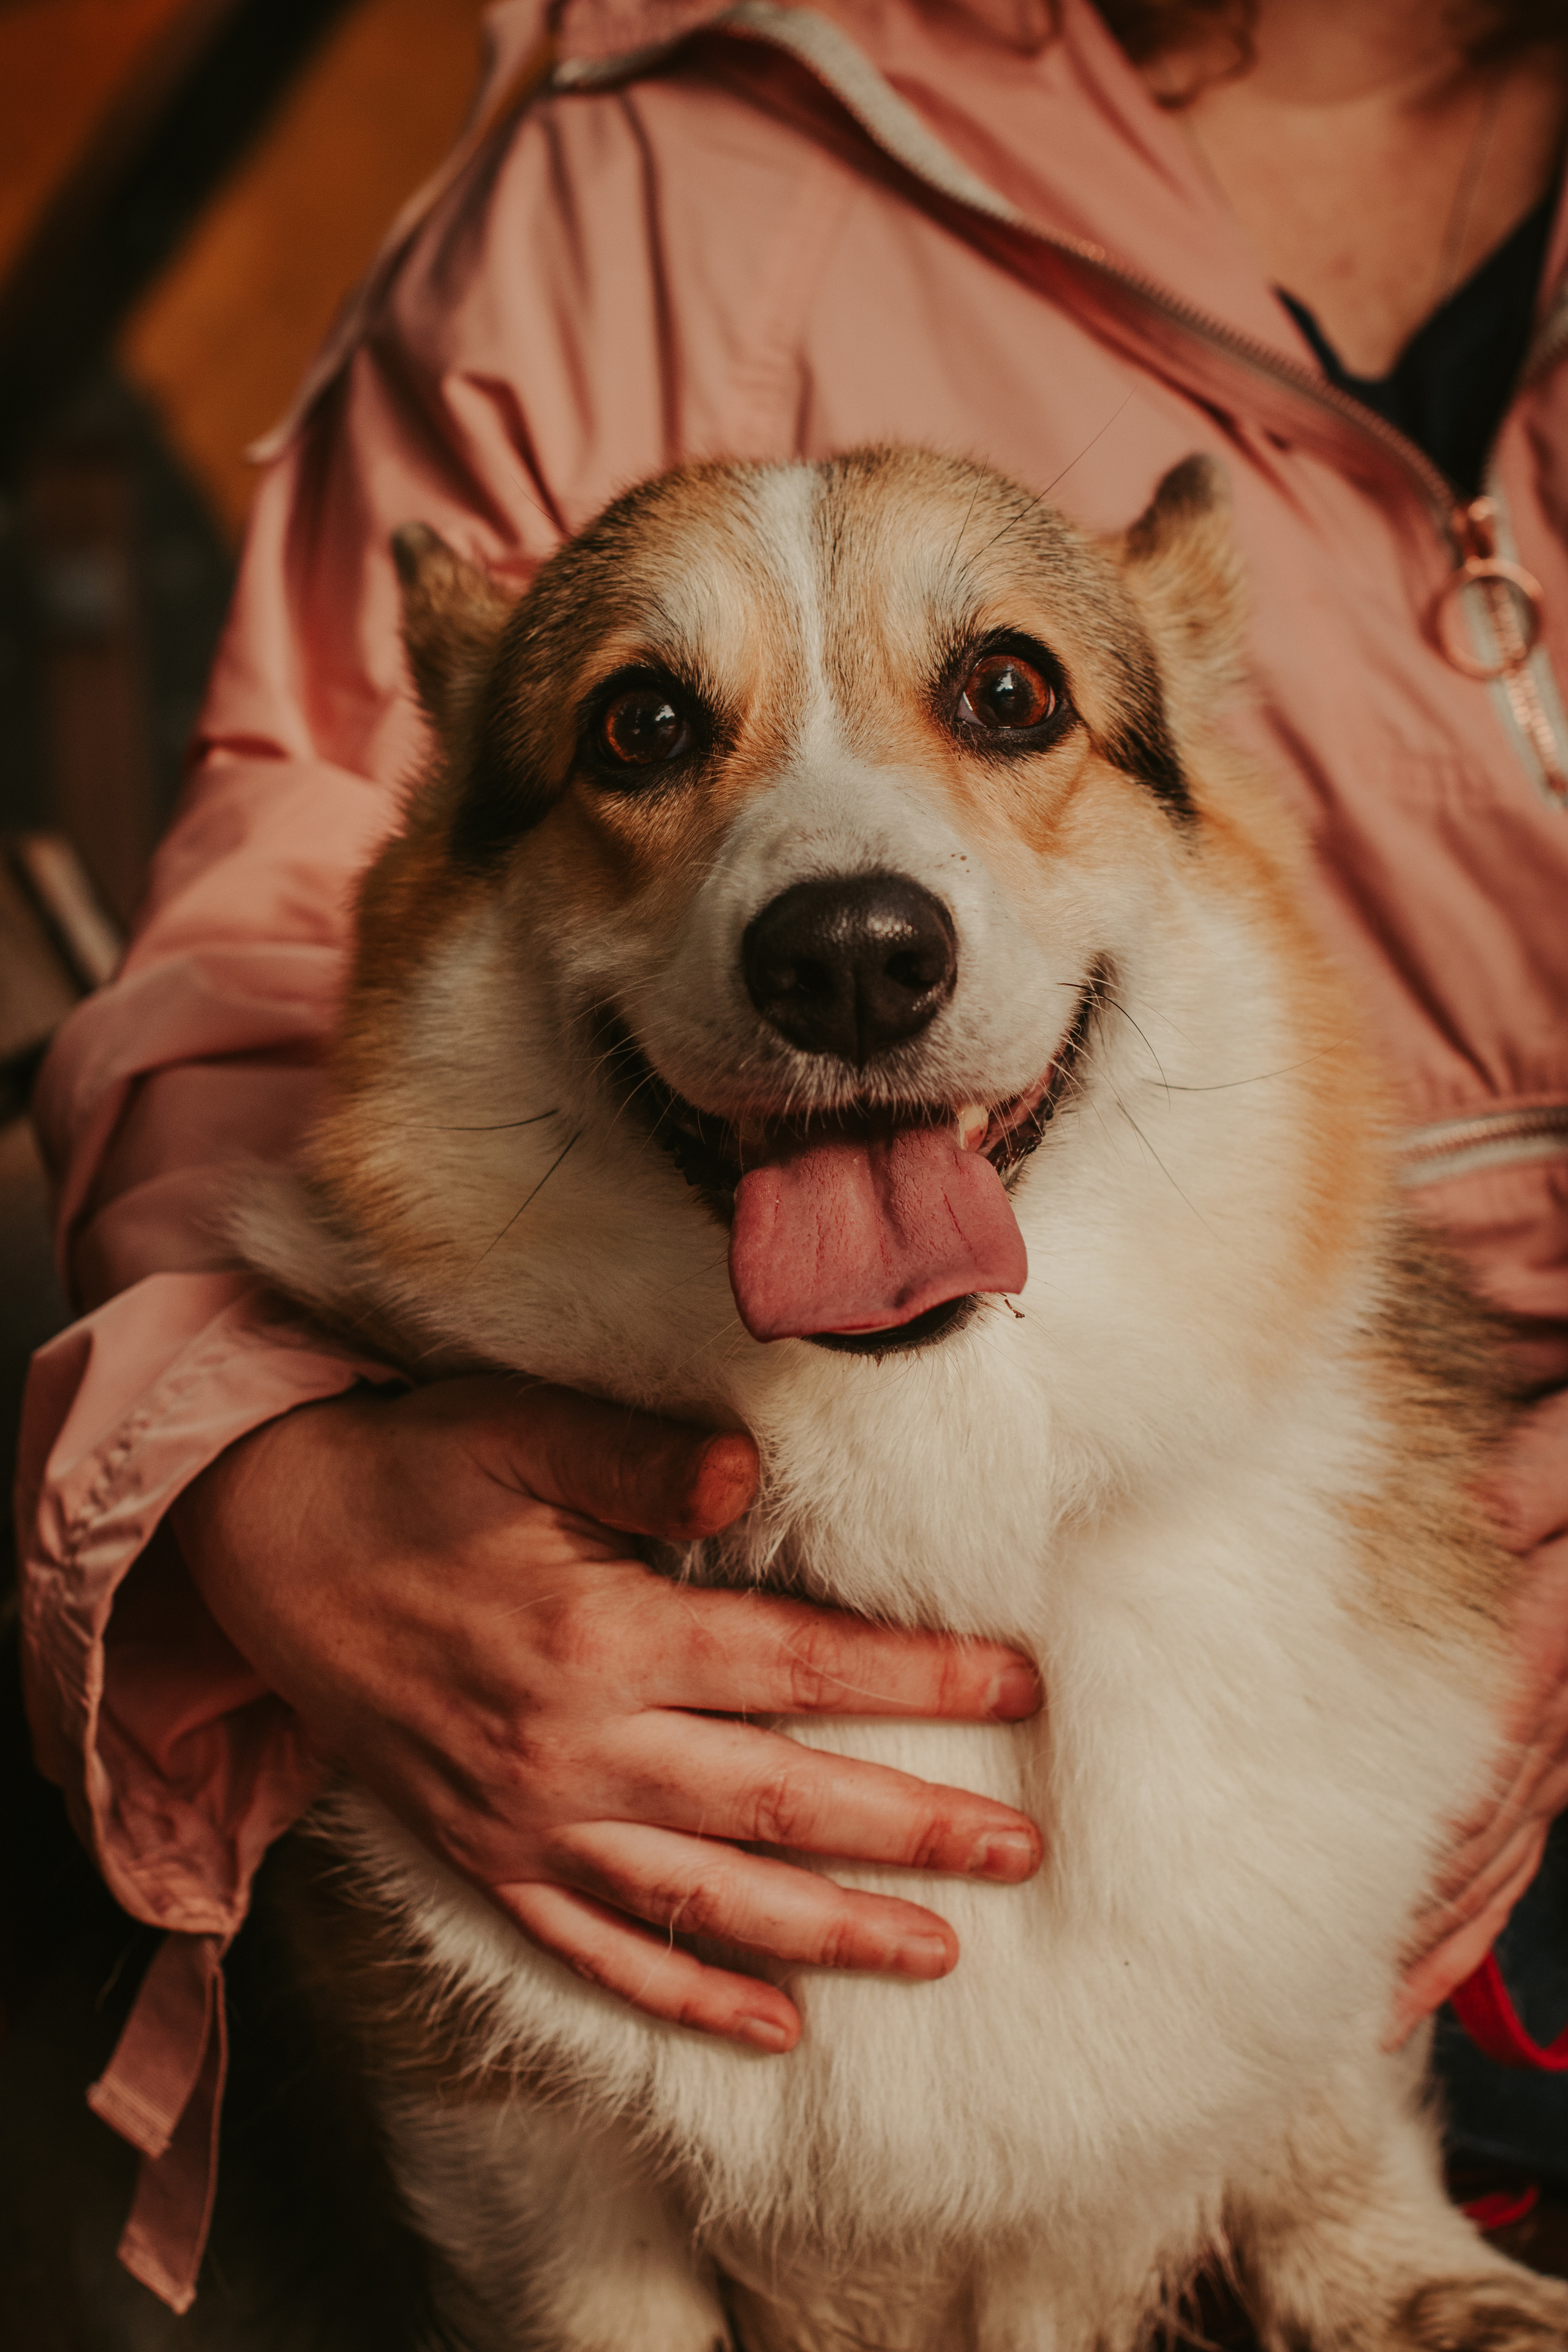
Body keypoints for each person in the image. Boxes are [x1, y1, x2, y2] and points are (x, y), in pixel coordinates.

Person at [18, 0, 1568, 2315]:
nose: (853, 915)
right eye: (656, 726)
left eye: (1006, 703)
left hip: (1439, 1582)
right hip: (594, 1626)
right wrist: (253, 1479)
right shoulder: (643, 177)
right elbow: (266, 939)